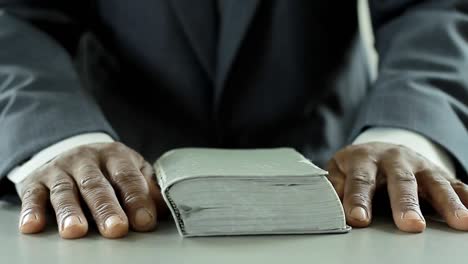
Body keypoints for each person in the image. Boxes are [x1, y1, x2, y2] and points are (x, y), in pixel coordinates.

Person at [0, 0, 467, 239]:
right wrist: (57, 138)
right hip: (115, 189)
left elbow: (432, 6)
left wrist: (408, 131)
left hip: (340, 184)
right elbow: (16, 15)